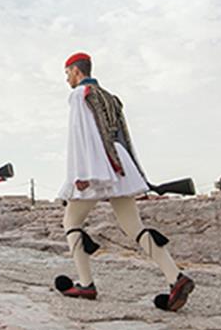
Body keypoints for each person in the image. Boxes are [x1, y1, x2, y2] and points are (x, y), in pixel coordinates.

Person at [56, 52, 195, 311]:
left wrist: (82, 174)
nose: (67, 80)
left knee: (71, 221)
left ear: (76, 71)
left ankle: (86, 283)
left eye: (67, 74)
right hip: (120, 163)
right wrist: (136, 176)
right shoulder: (111, 97)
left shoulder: (79, 95)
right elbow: (123, 137)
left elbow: (81, 135)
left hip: (97, 165)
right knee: (134, 226)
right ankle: (175, 276)